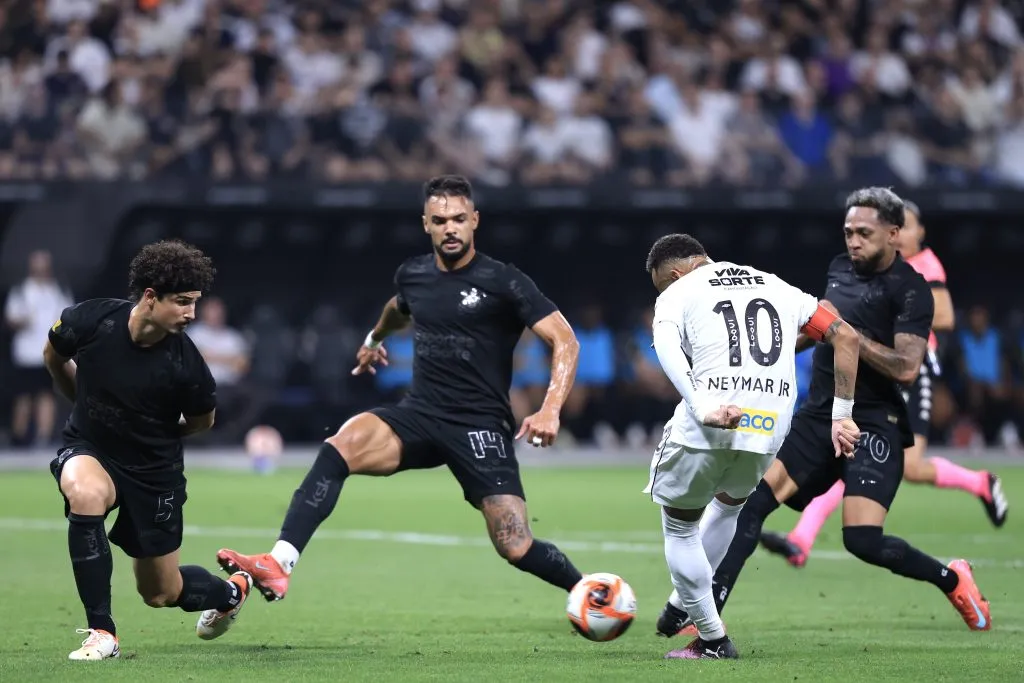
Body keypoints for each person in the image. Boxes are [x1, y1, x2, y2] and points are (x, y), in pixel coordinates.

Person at [216, 175, 589, 607]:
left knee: (516, 545)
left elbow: (565, 340)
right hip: (421, 413)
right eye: (440, 220)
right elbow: (398, 308)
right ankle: (280, 562)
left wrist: (550, 409)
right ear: (426, 224)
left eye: (459, 219)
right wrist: (373, 341)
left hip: (479, 425)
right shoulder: (413, 274)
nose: (450, 228)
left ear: (475, 221)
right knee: (341, 446)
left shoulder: (503, 280)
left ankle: (585, 589)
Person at [665, 188, 992, 640]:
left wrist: (847, 334)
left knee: (862, 541)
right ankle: (706, 621)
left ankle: (953, 581)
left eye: (864, 233)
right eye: (848, 232)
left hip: (875, 422)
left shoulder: (912, 289)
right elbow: (816, 332)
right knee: (750, 505)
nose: (853, 241)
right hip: (819, 415)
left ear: (894, 234)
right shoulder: (839, 268)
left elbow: (907, 367)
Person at [643, 233, 861, 660]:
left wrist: (701, 404)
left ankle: (712, 639)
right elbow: (845, 336)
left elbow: (667, 348)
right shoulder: (774, 284)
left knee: (680, 526)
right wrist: (842, 415)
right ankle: (679, 602)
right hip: (769, 424)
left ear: (674, 273)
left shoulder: (678, 292)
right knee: (727, 506)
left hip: (711, 419)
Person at [760, 200, 1008, 568]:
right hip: (873, 374)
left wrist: (885, 319)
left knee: (910, 467)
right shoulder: (866, 271)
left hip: (909, 374)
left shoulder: (922, 268)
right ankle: (802, 538)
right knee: (846, 451)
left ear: (916, 233)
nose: (901, 234)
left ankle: (979, 482)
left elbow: (944, 315)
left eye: (907, 227)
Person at [44, 240, 253, 661]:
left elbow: (201, 422)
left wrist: (152, 432)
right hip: (90, 447)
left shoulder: (186, 364)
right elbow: (54, 356)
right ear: (150, 297)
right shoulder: (90, 319)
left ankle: (232, 591)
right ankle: (102, 632)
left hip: (153, 470)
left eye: (195, 303)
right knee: (85, 495)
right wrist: (81, 405)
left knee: (160, 592)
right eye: (182, 302)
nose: (191, 314)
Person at [4, 249, 73, 446]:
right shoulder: (21, 290)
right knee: (23, 395)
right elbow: (10, 319)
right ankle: (19, 436)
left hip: (48, 351)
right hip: (25, 354)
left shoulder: (58, 289)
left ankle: (43, 436)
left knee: (46, 394)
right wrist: (22, 321)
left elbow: (69, 315)